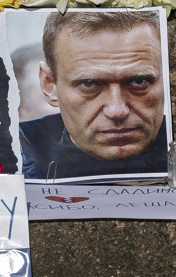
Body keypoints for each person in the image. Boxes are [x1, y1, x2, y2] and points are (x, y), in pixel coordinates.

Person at [19, 10, 168, 179]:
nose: (117, 111)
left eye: (139, 81)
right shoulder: (17, 151)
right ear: (49, 85)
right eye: (89, 84)